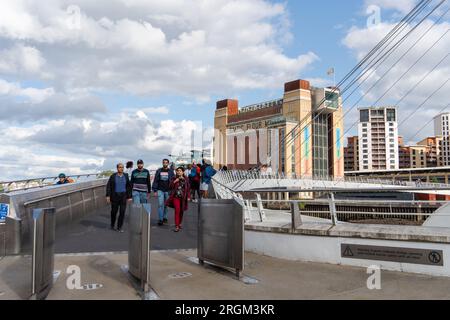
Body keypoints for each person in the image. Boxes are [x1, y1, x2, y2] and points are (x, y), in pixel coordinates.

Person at [106, 163, 132, 232]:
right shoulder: (113, 176)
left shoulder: (126, 176)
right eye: (120, 167)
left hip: (123, 196)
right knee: (114, 212)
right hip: (115, 196)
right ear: (117, 168)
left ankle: (119, 227)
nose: (122, 168)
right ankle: (112, 224)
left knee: (122, 212)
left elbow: (128, 186)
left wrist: (129, 196)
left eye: (122, 167)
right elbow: (109, 186)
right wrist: (108, 196)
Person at [166, 167, 190, 232]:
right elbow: (170, 186)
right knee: (177, 210)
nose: (178, 172)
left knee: (182, 211)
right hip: (175, 197)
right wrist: (175, 181)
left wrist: (188, 197)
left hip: (183, 198)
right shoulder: (174, 178)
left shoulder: (186, 179)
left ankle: (179, 223)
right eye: (177, 171)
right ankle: (176, 226)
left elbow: (188, 189)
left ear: (183, 172)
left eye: (180, 171)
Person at [153, 159, 175, 226]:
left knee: (166, 205)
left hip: (168, 190)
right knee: (160, 204)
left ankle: (165, 217)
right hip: (160, 190)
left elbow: (173, 180)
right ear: (162, 163)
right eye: (164, 162)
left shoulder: (171, 171)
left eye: (166, 163)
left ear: (168, 164)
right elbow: (156, 180)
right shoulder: (159, 170)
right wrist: (155, 190)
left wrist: (173, 190)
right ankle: (160, 219)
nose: (165, 164)